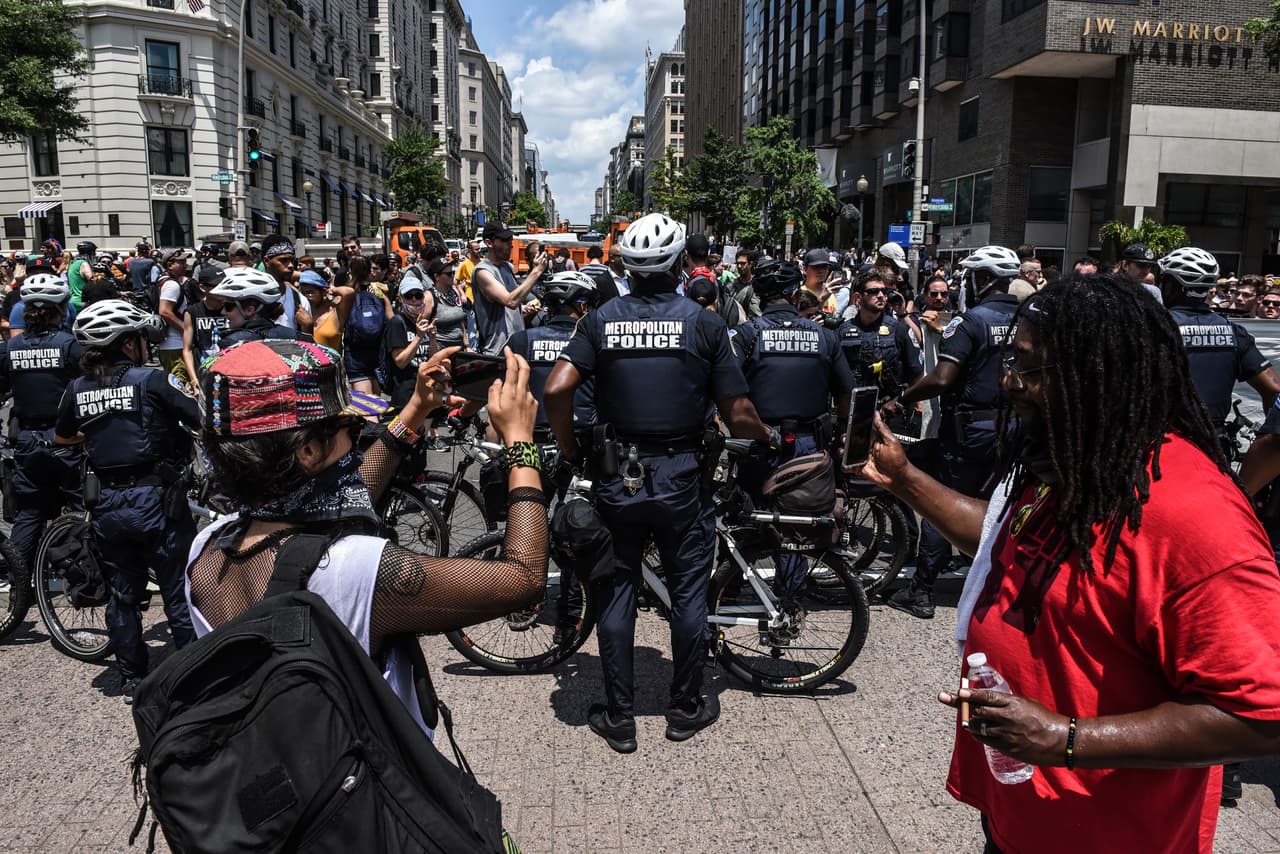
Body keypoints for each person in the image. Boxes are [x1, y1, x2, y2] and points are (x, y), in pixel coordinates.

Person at [855, 275, 1280, 853]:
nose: (1009, 383)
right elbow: (1004, 541)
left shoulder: (1198, 519)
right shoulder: (1079, 462)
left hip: (1113, 836)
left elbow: (1260, 714)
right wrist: (904, 479)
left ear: (1096, 380)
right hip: (1022, 819)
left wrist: (1067, 738)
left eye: (1029, 369)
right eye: (1012, 361)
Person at [185, 342, 548, 743]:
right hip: (368, 784)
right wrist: (520, 443)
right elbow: (523, 578)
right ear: (307, 451)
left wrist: (416, 409)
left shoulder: (208, 546)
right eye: (352, 430)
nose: (357, 443)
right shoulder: (352, 569)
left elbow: (354, 496)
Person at [544, 213, 772, 753]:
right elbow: (738, 412)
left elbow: (556, 389)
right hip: (682, 476)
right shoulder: (706, 324)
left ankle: (620, 717)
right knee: (688, 591)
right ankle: (684, 707)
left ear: (627, 264)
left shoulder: (600, 319)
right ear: (676, 265)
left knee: (616, 589)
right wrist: (766, 435)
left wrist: (574, 450)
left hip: (616, 473)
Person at [54, 300, 199, 702]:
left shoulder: (76, 389)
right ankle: (190, 678)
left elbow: (63, 438)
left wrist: (102, 436)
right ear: (129, 343)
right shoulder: (150, 380)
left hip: (107, 504)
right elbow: (199, 417)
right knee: (178, 590)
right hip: (157, 500)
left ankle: (133, 677)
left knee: (123, 593)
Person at [890, 244, 1022, 619]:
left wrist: (902, 399)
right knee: (1003, 504)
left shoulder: (972, 322)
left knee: (943, 499)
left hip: (971, 430)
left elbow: (943, 378)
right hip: (1014, 425)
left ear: (982, 279)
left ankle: (922, 591)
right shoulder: (1031, 317)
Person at [729, 258, 854, 594]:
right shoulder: (824, 337)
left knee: (746, 518)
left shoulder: (746, 335)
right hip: (809, 446)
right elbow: (846, 393)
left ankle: (730, 589)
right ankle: (789, 600)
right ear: (794, 292)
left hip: (757, 442)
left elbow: (724, 391)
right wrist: (843, 432)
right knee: (796, 524)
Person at [0, 275, 83, 571]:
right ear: (62, 309)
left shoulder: (10, 348)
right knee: (80, 508)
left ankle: (20, 583)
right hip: (68, 439)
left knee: (29, 512)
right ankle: (79, 571)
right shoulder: (70, 346)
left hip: (27, 440)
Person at [1159, 246, 1280, 425]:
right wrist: (1268, 440)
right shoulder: (1233, 332)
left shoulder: (1155, 328)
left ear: (1169, 285)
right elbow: (1273, 389)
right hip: (1213, 441)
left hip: (1162, 439)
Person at [507, 270, 598, 443]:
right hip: (581, 440)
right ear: (583, 307)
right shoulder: (593, 342)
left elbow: (500, 390)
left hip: (529, 439)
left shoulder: (521, 340)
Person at [472, 223, 546, 354]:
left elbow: (510, 304)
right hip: (498, 350)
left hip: (518, 345)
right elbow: (510, 301)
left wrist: (523, 308)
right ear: (489, 243)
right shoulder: (483, 272)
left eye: (510, 240)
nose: (510, 245)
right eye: (505, 240)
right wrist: (536, 271)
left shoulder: (507, 267)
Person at [212, 268, 303, 347]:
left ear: (249, 310)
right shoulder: (297, 337)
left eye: (228, 306)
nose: (223, 312)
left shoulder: (232, 343)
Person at [343, 255, 393, 395]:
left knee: (364, 405)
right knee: (375, 400)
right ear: (369, 271)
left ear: (350, 271)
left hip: (355, 353)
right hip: (377, 350)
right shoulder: (379, 291)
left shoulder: (346, 293)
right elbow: (391, 318)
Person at [180, 266, 230, 386]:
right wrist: (193, 380)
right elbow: (187, 350)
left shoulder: (232, 308)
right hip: (204, 374)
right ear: (203, 287)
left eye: (224, 284)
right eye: (216, 285)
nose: (222, 288)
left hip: (231, 373)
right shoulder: (192, 312)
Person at [156, 248, 193, 377]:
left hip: (170, 343)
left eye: (185, 261)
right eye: (181, 262)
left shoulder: (163, 280)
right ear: (170, 265)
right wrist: (186, 331)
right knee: (180, 385)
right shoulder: (172, 285)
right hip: (174, 344)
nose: (185, 265)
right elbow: (165, 312)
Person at [297, 269, 354, 352]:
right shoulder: (302, 311)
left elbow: (349, 292)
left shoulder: (336, 312)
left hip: (331, 364)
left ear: (323, 292)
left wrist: (331, 289)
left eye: (310, 292)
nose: (306, 297)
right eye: (303, 293)